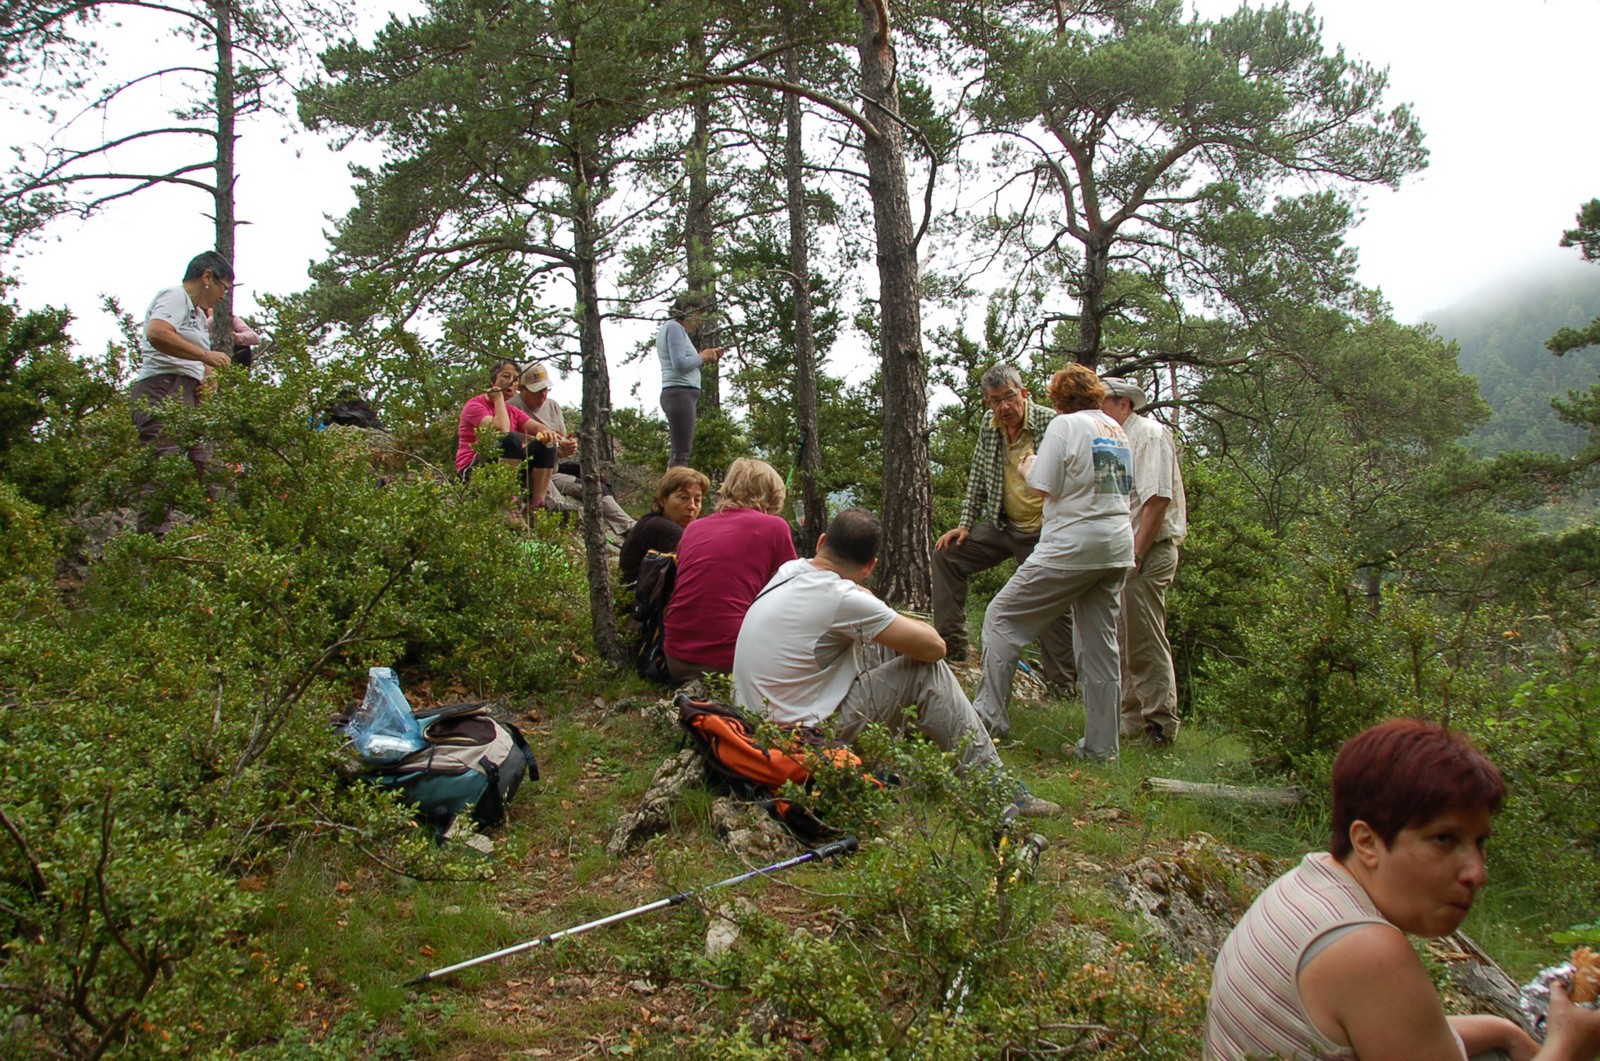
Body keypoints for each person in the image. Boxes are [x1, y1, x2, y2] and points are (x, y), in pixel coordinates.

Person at [1205, 718, 1600, 1061]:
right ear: (1367, 842)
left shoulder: (1308, 885)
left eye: (1479, 842)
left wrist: (1505, 1031)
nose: (1477, 874)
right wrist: (1568, 1046)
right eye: (1444, 839)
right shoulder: (1368, 952)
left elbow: (1404, 1033)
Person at [733, 507, 1061, 818]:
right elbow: (935, 648)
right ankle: (997, 787)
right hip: (800, 742)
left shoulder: (789, 572)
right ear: (870, 567)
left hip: (754, 731)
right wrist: (880, 608)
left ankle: (908, 759)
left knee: (886, 644)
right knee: (924, 670)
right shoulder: (839, 597)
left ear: (821, 543)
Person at [971, 365, 1133, 755]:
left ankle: (987, 721)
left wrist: (1028, 467)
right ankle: (1101, 748)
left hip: (1072, 545)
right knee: (1099, 648)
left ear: (1058, 400)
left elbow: (1043, 486)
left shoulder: (1065, 425)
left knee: (1001, 617)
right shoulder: (1114, 428)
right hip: (1116, 545)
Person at [933, 364, 1077, 691]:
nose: (1004, 407)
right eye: (996, 400)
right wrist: (965, 524)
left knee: (1052, 600)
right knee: (947, 554)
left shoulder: (1050, 422)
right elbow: (978, 475)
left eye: (1010, 397)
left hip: (1044, 530)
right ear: (988, 402)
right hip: (1004, 524)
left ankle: (1062, 685)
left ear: (1024, 393)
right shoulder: (991, 425)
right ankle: (951, 647)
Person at [1100, 376, 1187, 747]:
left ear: (1124, 404)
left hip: (1147, 553)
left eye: (1102, 404)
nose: (1096, 413)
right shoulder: (1114, 440)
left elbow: (1157, 500)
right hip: (1125, 554)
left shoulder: (1148, 435)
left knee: (1145, 641)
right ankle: (1132, 722)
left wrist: (1136, 554)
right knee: (1125, 640)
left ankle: (1160, 727)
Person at [129, 251, 236, 536]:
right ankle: (152, 544)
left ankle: (222, 534)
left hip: (186, 392)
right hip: (163, 388)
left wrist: (209, 377)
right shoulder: (175, 296)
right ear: (207, 277)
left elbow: (199, 354)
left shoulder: (197, 315)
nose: (223, 296)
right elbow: (158, 333)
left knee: (206, 465)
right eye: (224, 287)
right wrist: (205, 356)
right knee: (165, 468)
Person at [662, 457, 796, 681]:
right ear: (772, 494)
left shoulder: (694, 528)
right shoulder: (775, 527)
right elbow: (793, 592)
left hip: (675, 657)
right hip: (731, 660)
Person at [510, 361, 634, 539]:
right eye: (537, 391)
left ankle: (629, 526)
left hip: (554, 472)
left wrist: (567, 447)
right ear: (522, 389)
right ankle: (554, 516)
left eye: (545, 390)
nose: (543, 395)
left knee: (593, 487)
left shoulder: (553, 406)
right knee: (552, 495)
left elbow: (560, 446)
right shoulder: (512, 406)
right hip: (530, 472)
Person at [455, 359, 556, 515]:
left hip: (505, 468)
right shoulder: (475, 405)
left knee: (547, 443)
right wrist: (498, 399)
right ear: (493, 380)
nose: (510, 382)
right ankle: (508, 502)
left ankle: (537, 505)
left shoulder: (512, 410)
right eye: (506, 376)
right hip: (474, 469)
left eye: (515, 380)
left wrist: (548, 433)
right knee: (511, 439)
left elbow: (536, 427)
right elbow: (501, 430)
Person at [657, 291, 724, 468]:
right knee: (681, 455)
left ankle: (675, 483)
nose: (700, 321)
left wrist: (706, 355)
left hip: (679, 394)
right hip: (679, 393)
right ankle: (675, 485)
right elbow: (679, 364)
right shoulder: (674, 328)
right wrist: (703, 356)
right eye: (699, 315)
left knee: (681, 453)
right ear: (688, 311)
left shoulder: (673, 328)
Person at [618, 466, 709, 587]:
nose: (692, 506)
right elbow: (704, 555)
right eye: (683, 498)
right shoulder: (657, 525)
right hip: (636, 597)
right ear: (662, 500)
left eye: (697, 500)